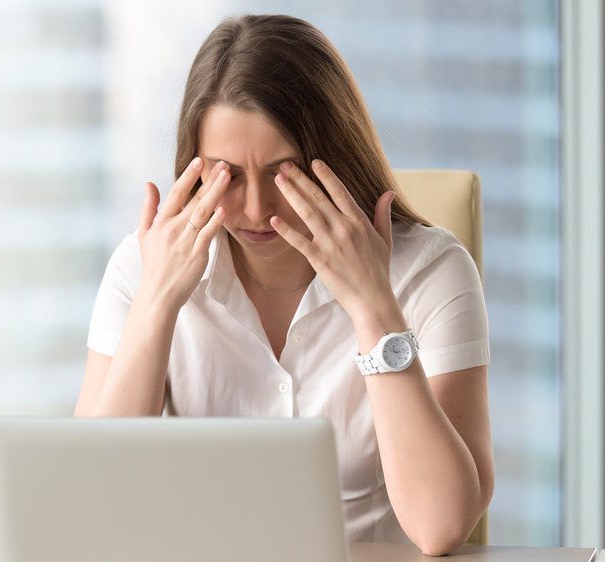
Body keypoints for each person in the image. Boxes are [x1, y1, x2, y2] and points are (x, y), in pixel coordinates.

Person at [75, 14, 493, 556]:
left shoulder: (431, 272)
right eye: (228, 174)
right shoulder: (143, 267)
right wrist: (156, 304)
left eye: (282, 172)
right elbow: (90, 502)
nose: (254, 210)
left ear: (336, 159)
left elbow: (441, 525)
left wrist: (373, 309)